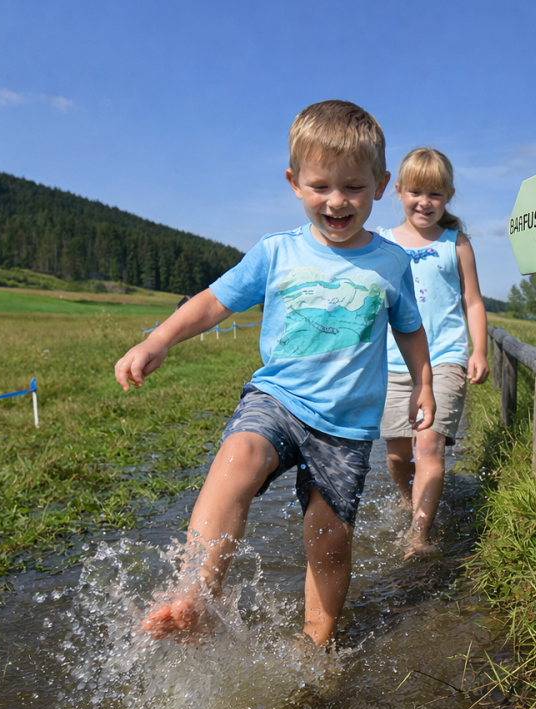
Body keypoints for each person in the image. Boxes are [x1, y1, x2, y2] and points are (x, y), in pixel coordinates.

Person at [113, 100, 434, 647]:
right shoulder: (276, 252)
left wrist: (423, 384)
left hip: (346, 427)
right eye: (320, 186)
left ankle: (317, 642)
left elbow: (409, 327)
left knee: (328, 538)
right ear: (294, 182)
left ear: (380, 186)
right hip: (279, 398)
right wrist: (159, 338)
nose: (337, 201)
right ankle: (195, 595)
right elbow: (216, 301)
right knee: (239, 458)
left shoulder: (390, 262)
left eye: (353, 187)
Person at [378, 148, 489, 558]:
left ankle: (419, 535)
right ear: (399, 191)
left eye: (436, 195)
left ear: (449, 196)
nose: (425, 202)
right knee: (396, 454)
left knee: (428, 446)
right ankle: (411, 502)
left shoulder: (455, 244)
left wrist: (478, 350)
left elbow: (472, 301)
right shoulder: (381, 243)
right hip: (391, 361)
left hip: (445, 357)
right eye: (417, 192)